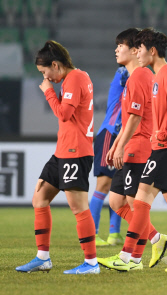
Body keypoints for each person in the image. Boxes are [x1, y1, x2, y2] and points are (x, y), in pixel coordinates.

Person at [100, 28, 167, 273]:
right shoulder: (159, 75)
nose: (138, 53)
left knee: (141, 199)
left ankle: (129, 258)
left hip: (165, 147)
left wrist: (166, 132)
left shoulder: (166, 73)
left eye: (141, 49)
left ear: (151, 51)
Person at [16, 40, 99, 274]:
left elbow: (64, 114)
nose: (46, 78)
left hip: (76, 152)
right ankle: (43, 258)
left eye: (45, 72)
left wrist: (49, 93)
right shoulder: (75, 78)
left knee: (79, 208)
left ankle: (91, 263)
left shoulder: (75, 78)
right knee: (39, 199)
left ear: (55, 64)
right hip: (63, 151)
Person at [97, 28, 167, 271]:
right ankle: (156, 239)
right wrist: (118, 144)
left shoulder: (140, 76)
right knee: (117, 201)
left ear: (134, 49)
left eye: (121, 45)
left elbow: (136, 117)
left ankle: (131, 257)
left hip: (139, 146)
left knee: (134, 202)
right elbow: (130, 116)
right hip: (131, 144)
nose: (116, 49)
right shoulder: (135, 77)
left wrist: (119, 146)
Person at [89, 66, 127, 247]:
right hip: (110, 133)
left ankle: (114, 233)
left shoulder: (140, 72)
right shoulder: (124, 72)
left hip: (124, 137)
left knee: (118, 188)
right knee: (103, 185)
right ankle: (92, 234)